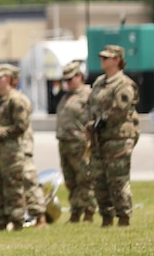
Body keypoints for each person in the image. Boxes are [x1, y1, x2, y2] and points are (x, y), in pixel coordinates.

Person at [85, 44, 140, 227]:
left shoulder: (124, 84)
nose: (102, 60)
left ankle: (124, 218)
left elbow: (119, 110)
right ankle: (106, 218)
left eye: (106, 57)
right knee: (99, 179)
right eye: (101, 57)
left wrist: (97, 123)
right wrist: (90, 124)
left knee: (117, 179)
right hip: (99, 138)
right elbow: (91, 106)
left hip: (118, 139)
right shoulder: (99, 82)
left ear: (117, 60)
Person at [0, 64, 34, 232]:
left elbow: (21, 126)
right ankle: (1, 220)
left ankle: (17, 221)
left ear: (7, 78)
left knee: (13, 187)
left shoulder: (16, 99)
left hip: (12, 151)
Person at [55, 60, 95, 223]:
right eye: (65, 80)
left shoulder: (88, 95)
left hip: (80, 144)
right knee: (70, 181)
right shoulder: (66, 97)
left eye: (70, 79)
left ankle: (89, 211)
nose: (67, 83)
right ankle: (75, 211)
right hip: (64, 143)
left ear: (80, 76)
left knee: (84, 179)